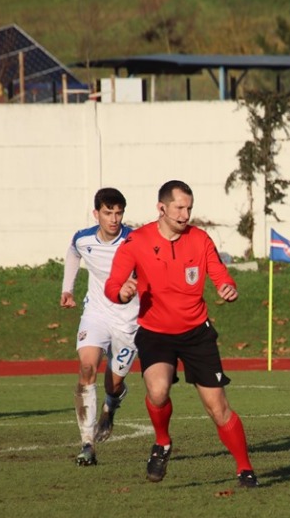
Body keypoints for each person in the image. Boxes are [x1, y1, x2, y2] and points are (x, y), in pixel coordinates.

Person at [104, 180, 257, 486]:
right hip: (155, 333)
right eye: (179, 208)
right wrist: (122, 292)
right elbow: (112, 285)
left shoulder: (200, 240)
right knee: (158, 391)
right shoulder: (136, 241)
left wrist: (228, 288)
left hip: (196, 333)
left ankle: (245, 469)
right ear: (161, 208)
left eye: (189, 208)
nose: (186, 214)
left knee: (218, 407)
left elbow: (220, 274)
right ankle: (162, 443)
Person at [60, 187, 139, 467]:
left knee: (113, 383)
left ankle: (111, 404)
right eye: (108, 213)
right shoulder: (83, 239)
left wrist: (138, 285)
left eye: (118, 213)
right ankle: (87, 443)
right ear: (97, 214)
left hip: (129, 319)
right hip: (96, 312)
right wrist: (67, 290)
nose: (114, 219)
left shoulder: (135, 240)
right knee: (87, 368)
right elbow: (72, 254)